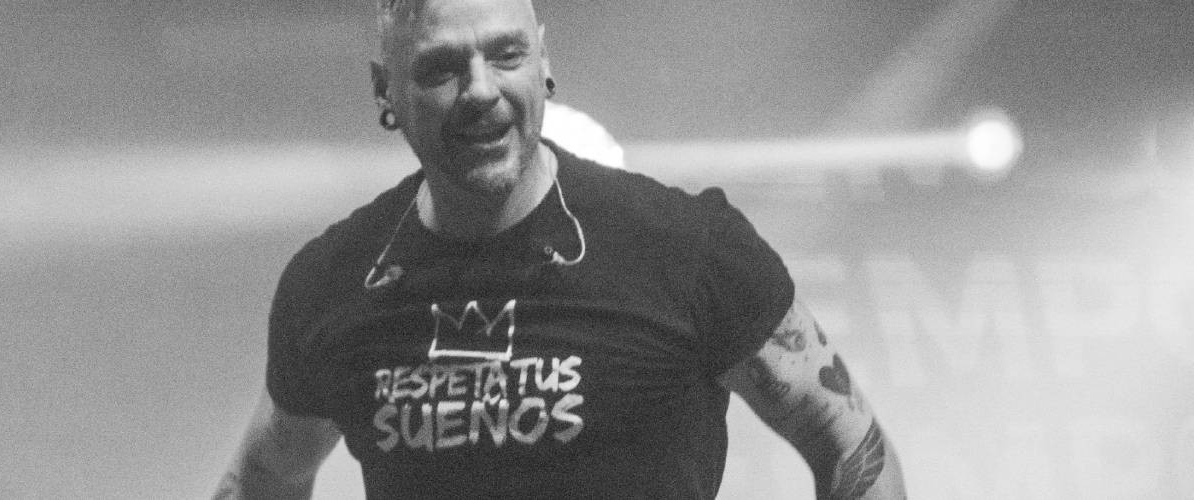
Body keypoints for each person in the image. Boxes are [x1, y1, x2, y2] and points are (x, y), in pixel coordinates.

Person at [215, 0, 907, 498]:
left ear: (544, 60)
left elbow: (851, 447)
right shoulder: (333, 283)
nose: (480, 90)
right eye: (441, 67)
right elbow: (263, 476)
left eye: (506, 54)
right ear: (384, 89)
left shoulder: (688, 248)